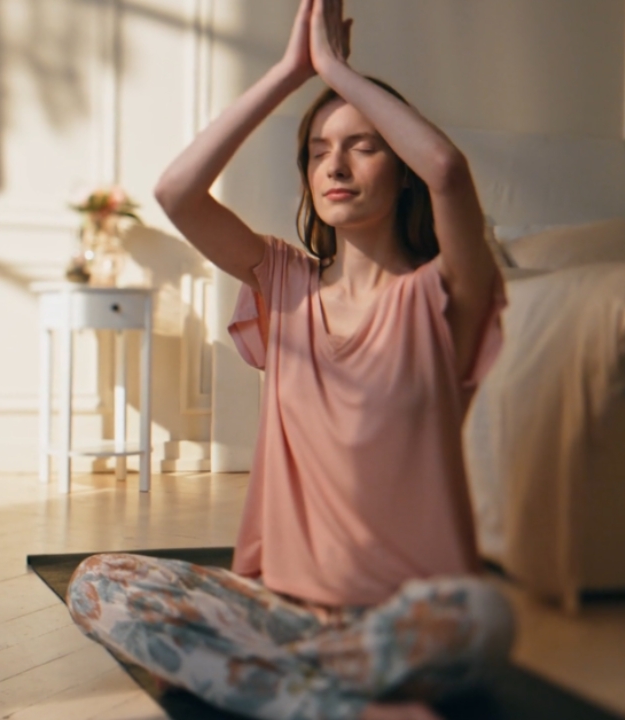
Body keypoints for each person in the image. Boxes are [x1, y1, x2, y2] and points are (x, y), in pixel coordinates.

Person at [66, 1, 511, 718]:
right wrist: (287, 73)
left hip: (405, 617)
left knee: (485, 620)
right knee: (98, 582)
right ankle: (342, 706)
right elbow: (177, 193)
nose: (334, 164)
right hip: (278, 608)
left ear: (400, 171)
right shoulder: (283, 280)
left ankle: (263, 685)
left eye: (363, 146)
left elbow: (451, 173)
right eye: (317, 150)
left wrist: (337, 70)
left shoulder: (444, 295)